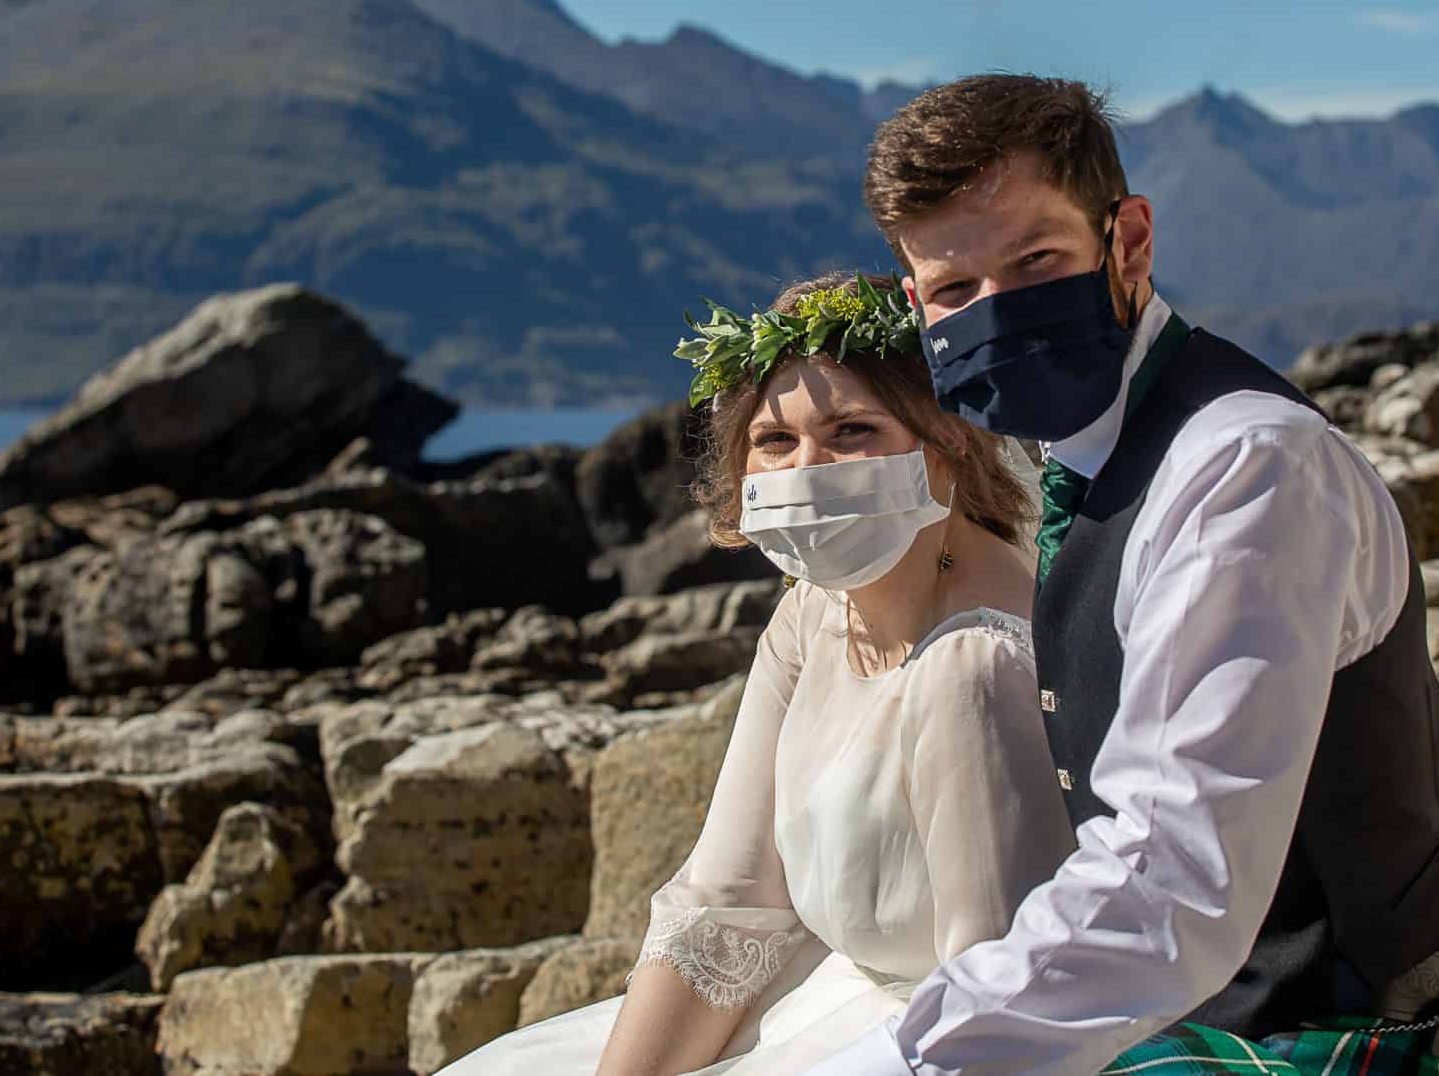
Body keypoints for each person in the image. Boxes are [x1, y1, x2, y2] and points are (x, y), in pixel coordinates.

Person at [805, 76, 1439, 1076]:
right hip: (1171, 1008)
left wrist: (895, 1065)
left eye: (1035, 259)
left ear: (1126, 240)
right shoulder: (1077, 453)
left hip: (1310, 1042)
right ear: (916, 304)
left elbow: (1176, 876)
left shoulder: (1245, 470)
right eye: (954, 292)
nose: (995, 313)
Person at [436, 272, 1074, 1075]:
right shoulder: (814, 610)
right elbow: (726, 900)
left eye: (852, 430)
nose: (808, 467)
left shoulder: (976, 667)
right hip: (813, 1004)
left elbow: (998, 1008)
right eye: (776, 440)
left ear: (947, 441)